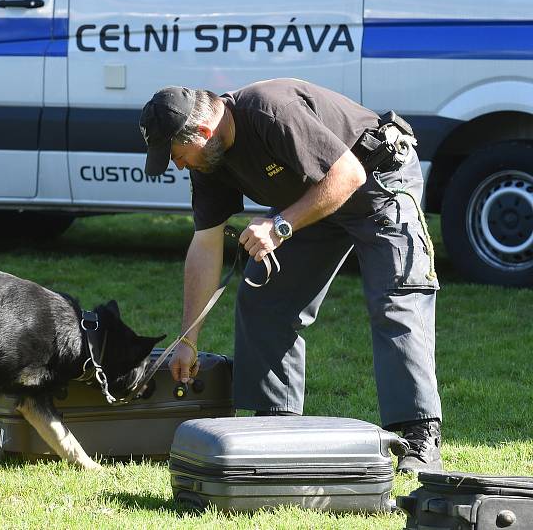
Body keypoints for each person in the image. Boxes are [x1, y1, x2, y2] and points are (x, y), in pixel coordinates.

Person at [138, 79, 443, 473]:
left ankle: (418, 436)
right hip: (310, 201)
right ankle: (276, 428)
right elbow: (206, 244)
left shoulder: (270, 110)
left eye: (178, 155)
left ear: (203, 131)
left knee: (395, 300)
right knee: (264, 301)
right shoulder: (207, 160)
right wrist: (187, 339)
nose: (179, 165)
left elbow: (349, 174)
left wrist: (280, 226)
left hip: (377, 183)